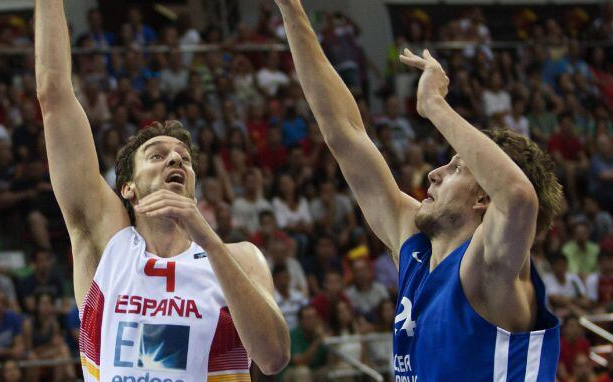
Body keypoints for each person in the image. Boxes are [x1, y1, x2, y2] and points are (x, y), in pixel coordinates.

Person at [276, 0, 564, 379]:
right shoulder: (414, 247)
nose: (434, 173)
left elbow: (518, 197)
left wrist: (433, 105)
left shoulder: (491, 267)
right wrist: (291, 7)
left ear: (484, 198)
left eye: (457, 167)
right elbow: (343, 133)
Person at [34, 2, 289, 381]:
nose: (175, 161)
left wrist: (207, 237)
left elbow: (272, 358)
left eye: (184, 158)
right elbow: (54, 96)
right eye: (157, 155)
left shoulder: (241, 259)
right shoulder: (107, 245)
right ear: (129, 189)